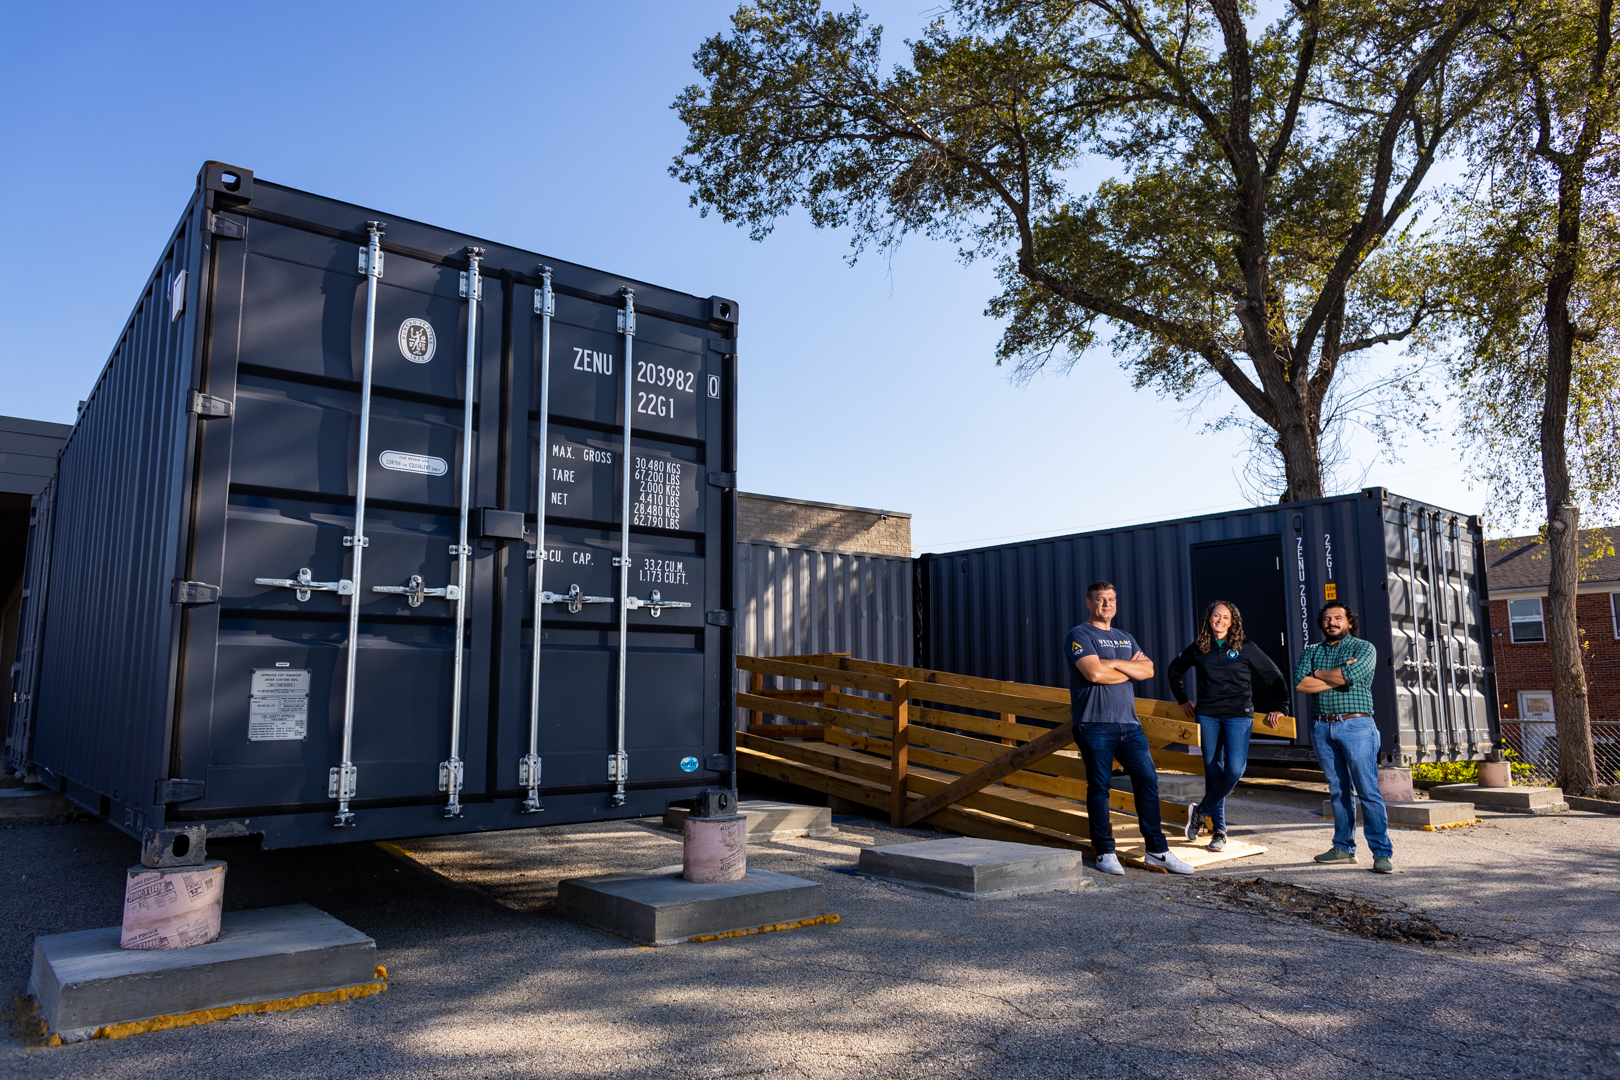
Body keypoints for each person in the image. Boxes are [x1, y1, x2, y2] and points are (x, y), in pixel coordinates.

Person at [1065, 581, 1195, 876]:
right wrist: (1127, 668)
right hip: (1094, 723)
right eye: (1100, 600)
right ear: (1089, 603)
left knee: (1148, 782)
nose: (1106, 604)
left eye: (1111, 599)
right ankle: (1105, 852)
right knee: (1099, 787)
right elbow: (1094, 673)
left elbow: (1148, 670)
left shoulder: (1125, 637)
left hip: (1129, 725)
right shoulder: (1079, 634)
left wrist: (1113, 663)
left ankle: (1157, 851)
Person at [1167, 600, 1287, 852]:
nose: (1219, 620)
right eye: (1215, 616)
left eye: (1225, 617)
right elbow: (1174, 670)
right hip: (1207, 715)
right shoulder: (1200, 648)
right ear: (1208, 619)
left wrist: (1283, 706)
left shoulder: (1246, 647)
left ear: (1233, 622)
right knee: (1213, 772)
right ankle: (1219, 832)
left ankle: (1200, 813)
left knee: (1233, 770)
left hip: (1238, 716)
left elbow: (1273, 675)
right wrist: (1182, 700)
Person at [1294, 601, 1393, 873]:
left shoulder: (1364, 648)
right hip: (1322, 727)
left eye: (1338, 618)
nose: (1332, 623)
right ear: (1321, 623)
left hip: (1356, 725)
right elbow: (1301, 684)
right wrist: (1336, 676)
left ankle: (1382, 853)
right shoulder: (1312, 650)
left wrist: (1320, 675)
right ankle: (1343, 848)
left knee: (1367, 790)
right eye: (1327, 618)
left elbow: (1351, 674)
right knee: (1339, 791)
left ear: (1349, 622)